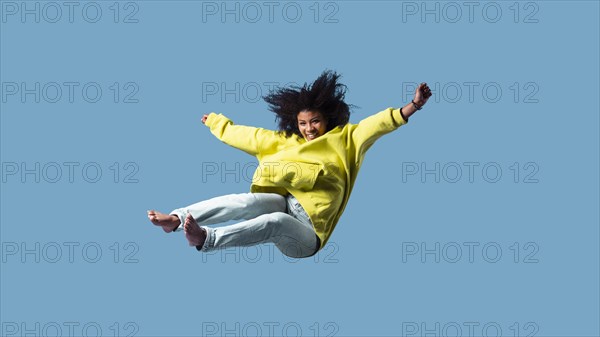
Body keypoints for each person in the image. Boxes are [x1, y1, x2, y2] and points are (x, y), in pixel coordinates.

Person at [148, 71, 432, 258]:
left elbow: (377, 125)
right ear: (295, 123)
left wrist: (413, 106)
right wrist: (216, 123)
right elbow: (246, 135)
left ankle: (205, 239)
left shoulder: (347, 139)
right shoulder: (283, 141)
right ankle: (176, 218)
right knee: (250, 202)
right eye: (303, 123)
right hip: (285, 202)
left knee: (275, 221)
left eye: (315, 122)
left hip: (307, 237)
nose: (309, 129)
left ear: (328, 119)